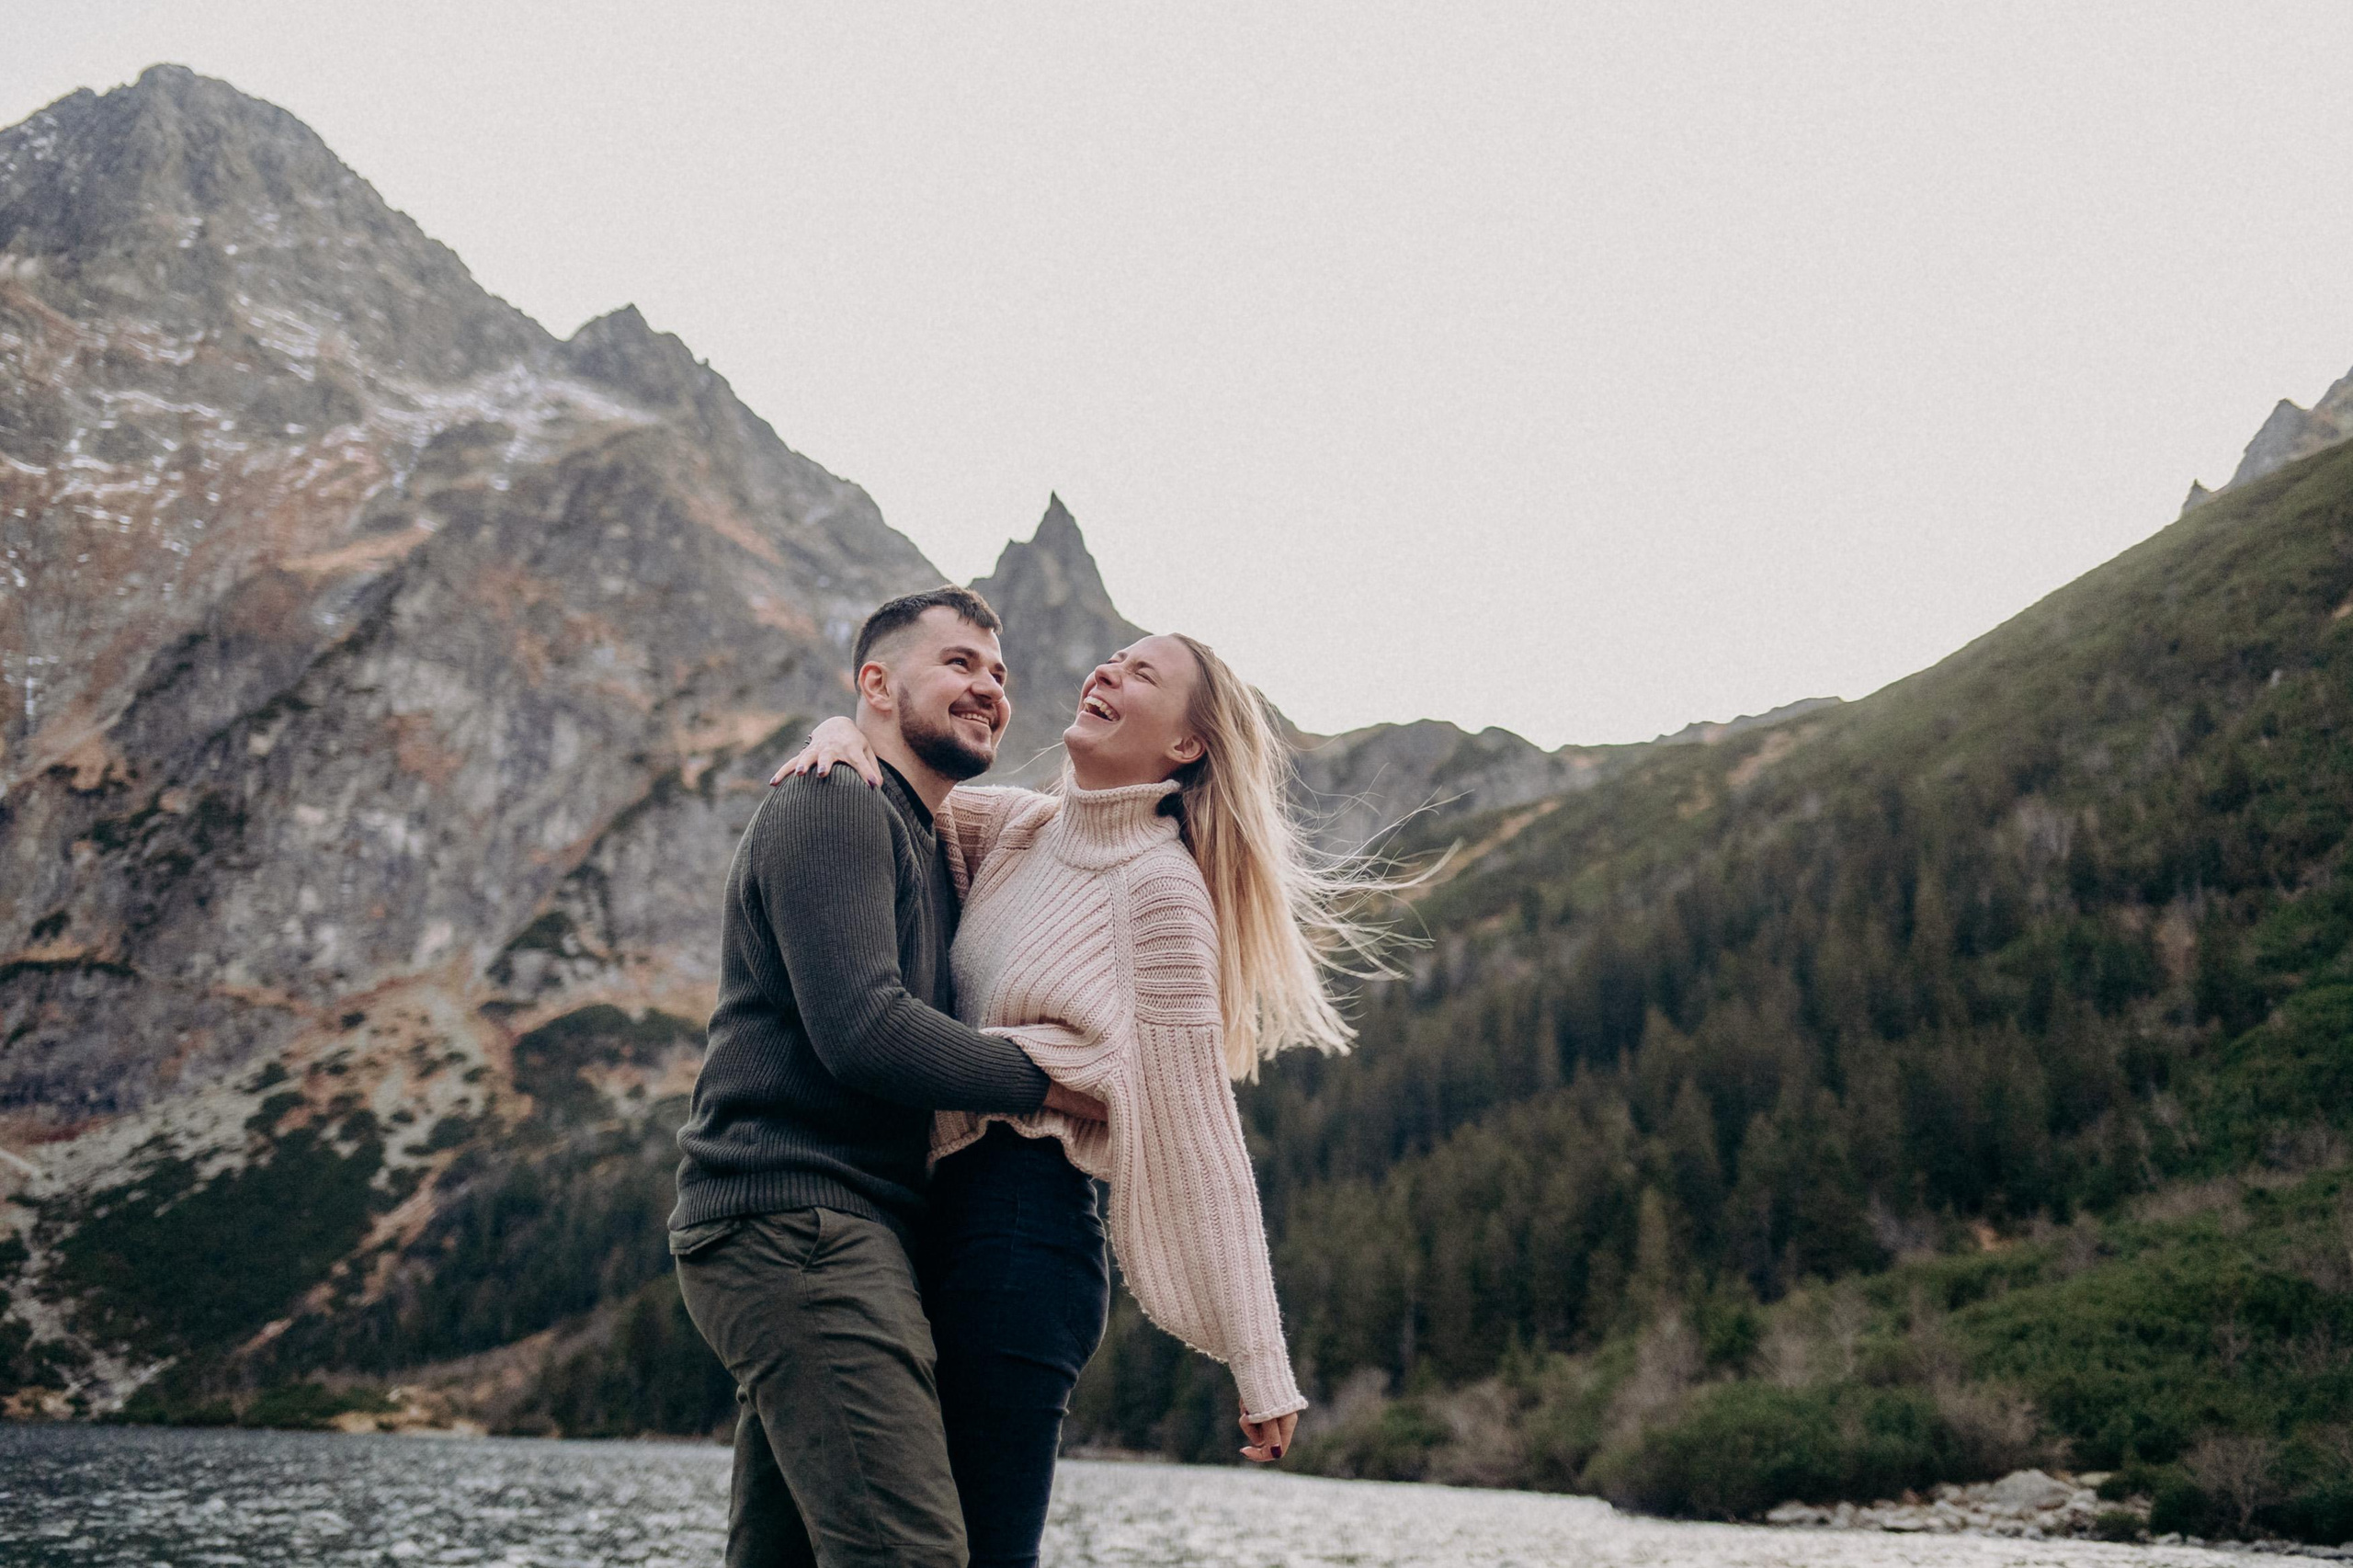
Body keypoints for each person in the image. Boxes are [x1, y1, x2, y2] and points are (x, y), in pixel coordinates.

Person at [773, 628, 1397, 1568]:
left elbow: (1200, 1131)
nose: (1105, 670)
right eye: (1110, 657)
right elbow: (896, 792)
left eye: (1142, 673)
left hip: (1024, 1238)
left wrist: (1260, 1361)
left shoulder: (1160, 892)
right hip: (930, 1221)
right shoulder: (1022, 830)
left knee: (978, 1553)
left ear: (1185, 744)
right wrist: (838, 729)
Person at [670, 585, 1105, 1568]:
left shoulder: (922, 831)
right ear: (875, 683)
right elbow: (864, 1032)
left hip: (834, 1231)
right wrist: (1050, 1078)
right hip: (798, 1224)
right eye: (958, 662)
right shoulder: (835, 801)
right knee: (910, 1552)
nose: (989, 687)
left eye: (998, 672)